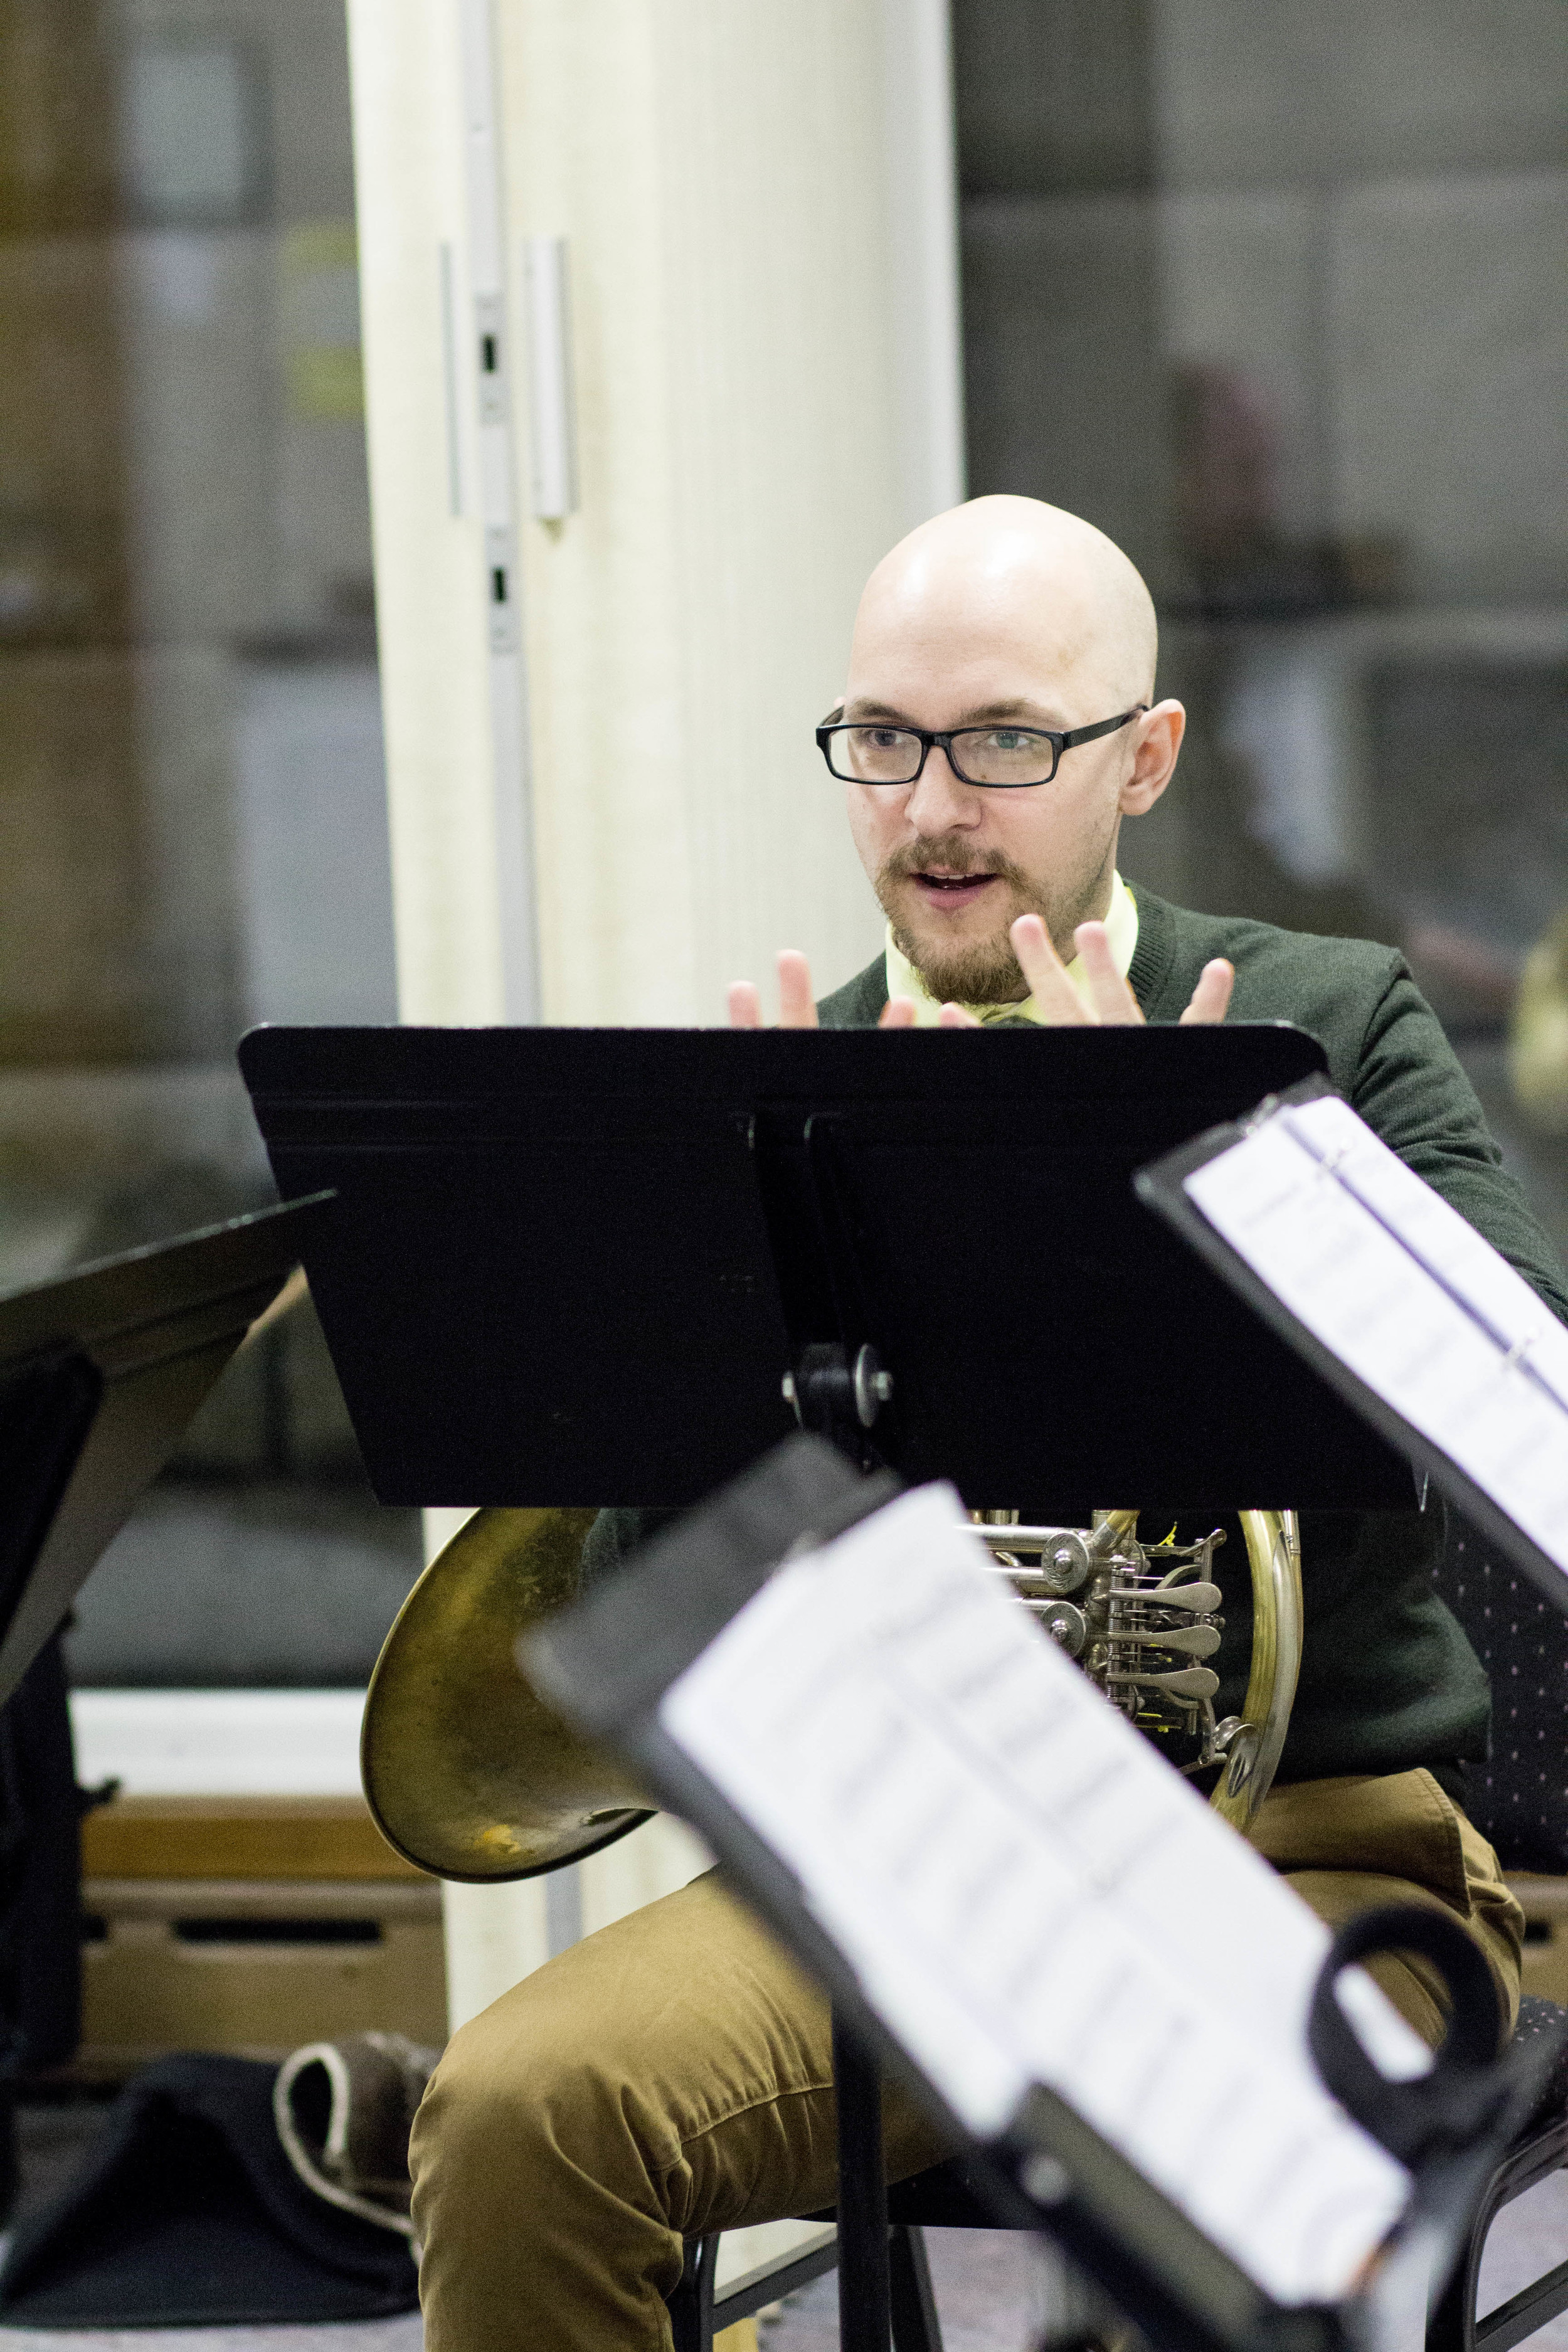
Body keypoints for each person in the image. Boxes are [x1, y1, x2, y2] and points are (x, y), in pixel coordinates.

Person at [408, 497, 1568, 2352]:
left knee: (1232, 2193)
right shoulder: (788, 1084)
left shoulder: (1316, 1023)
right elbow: (632, 1584)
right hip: (907, 1867)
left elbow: (1514, 1390)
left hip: (1309, 1853)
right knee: (515, 2108)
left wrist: (1153, 1194)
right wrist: (730, 1343)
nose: (930, 808)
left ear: (1144, 758)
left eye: (1004, 744)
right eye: (880, 742)